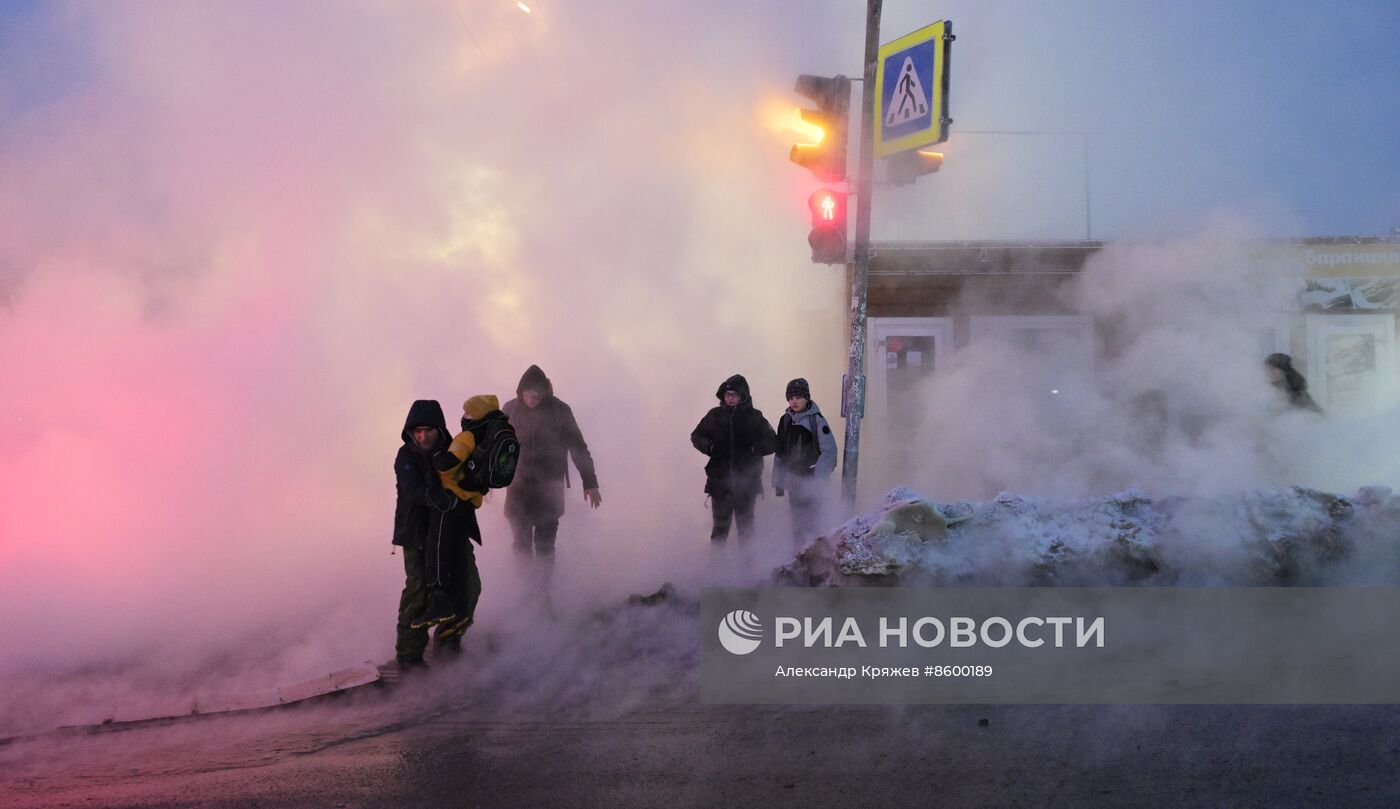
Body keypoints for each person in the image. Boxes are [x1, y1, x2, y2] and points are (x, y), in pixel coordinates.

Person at [392, 400, 482, 669]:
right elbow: (412, 489)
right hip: (417, 534)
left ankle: (447, 641)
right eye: (417, 431)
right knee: (419, 593)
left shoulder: (455, 450)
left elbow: (471, 479)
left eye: (428, 431)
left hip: (453, 531)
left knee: (469, 587)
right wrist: (437, 497)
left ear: (439, 429)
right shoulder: (405, 456)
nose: (422, 437)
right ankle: (409, 656)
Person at [501, 366, 600, 580]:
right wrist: (488, 479)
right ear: (520, 392)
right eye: (526, 395)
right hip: (517, 488)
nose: (531, 400)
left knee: (545, 547)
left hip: (549, 489)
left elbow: (578, 447)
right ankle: (522, 595)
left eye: (535, 396)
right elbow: (496, 446)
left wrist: (589, 481)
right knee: (521, 546)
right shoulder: (510, 409)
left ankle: (542, 597)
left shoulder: (560, 411)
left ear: (544, 392)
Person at [691, 374, 776, 542]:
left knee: (746, 532)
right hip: (720, 485)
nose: (729, 397)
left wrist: (756, 448)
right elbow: (696, 436)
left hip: (747, 485)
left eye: (734, 394)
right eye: (727, 394)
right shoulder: (714, 415)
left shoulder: (755, 417)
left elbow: (773, 441)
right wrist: (710, 447)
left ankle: (747, 568)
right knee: (719, 532)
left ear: (743, 396)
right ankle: (717, 566)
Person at [772, 378, 838, 546]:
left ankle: (814, 560)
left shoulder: (817, 421)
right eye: (791, 397)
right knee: (797, 525)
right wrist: (778, 481)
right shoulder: (785, 420)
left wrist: (818, 479)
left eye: (798, 397)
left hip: (811, 483)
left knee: (813, 525)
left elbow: (829, 451)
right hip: (794, 483)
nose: (794, 401)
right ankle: (798, 559)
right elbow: (780, 452)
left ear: (807, 398)